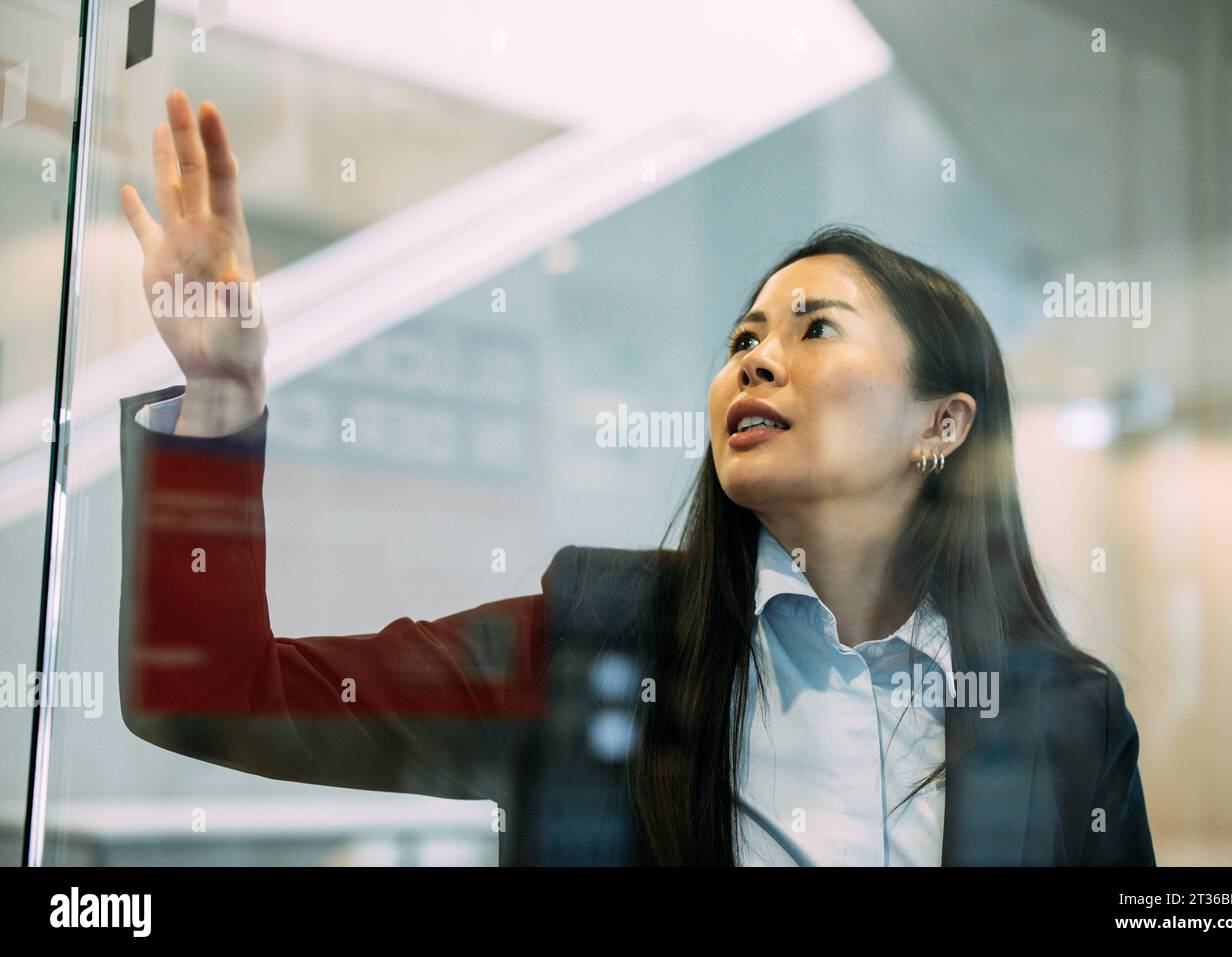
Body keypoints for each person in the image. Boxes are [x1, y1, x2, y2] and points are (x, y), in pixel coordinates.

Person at [117, 90, 1156, 867]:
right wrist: (218, 399)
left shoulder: (1064, 714)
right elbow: (212, 694)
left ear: (940, 423)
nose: (753, 357)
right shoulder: (596, 640)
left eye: (814, 329)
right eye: (742, 336)